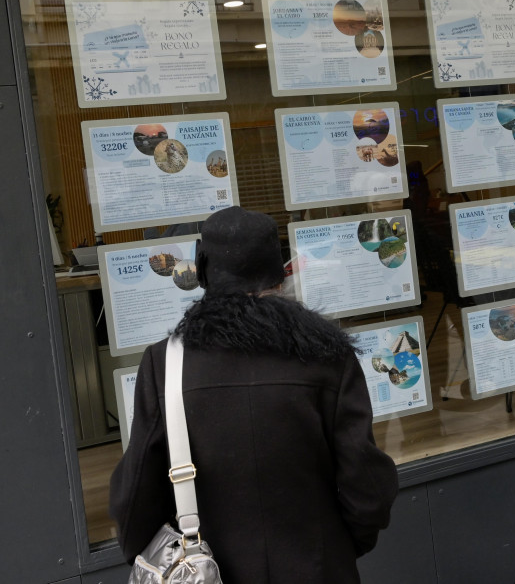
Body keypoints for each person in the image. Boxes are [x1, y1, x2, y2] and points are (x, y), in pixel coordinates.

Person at [110, 206, 399, 583]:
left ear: (201, 266)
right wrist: (337, 547)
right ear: (278, 270)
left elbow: (135, 499)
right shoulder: (327, 355)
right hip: (318, 567)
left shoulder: (165, 363)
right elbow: (366, 487)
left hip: (208, 571)